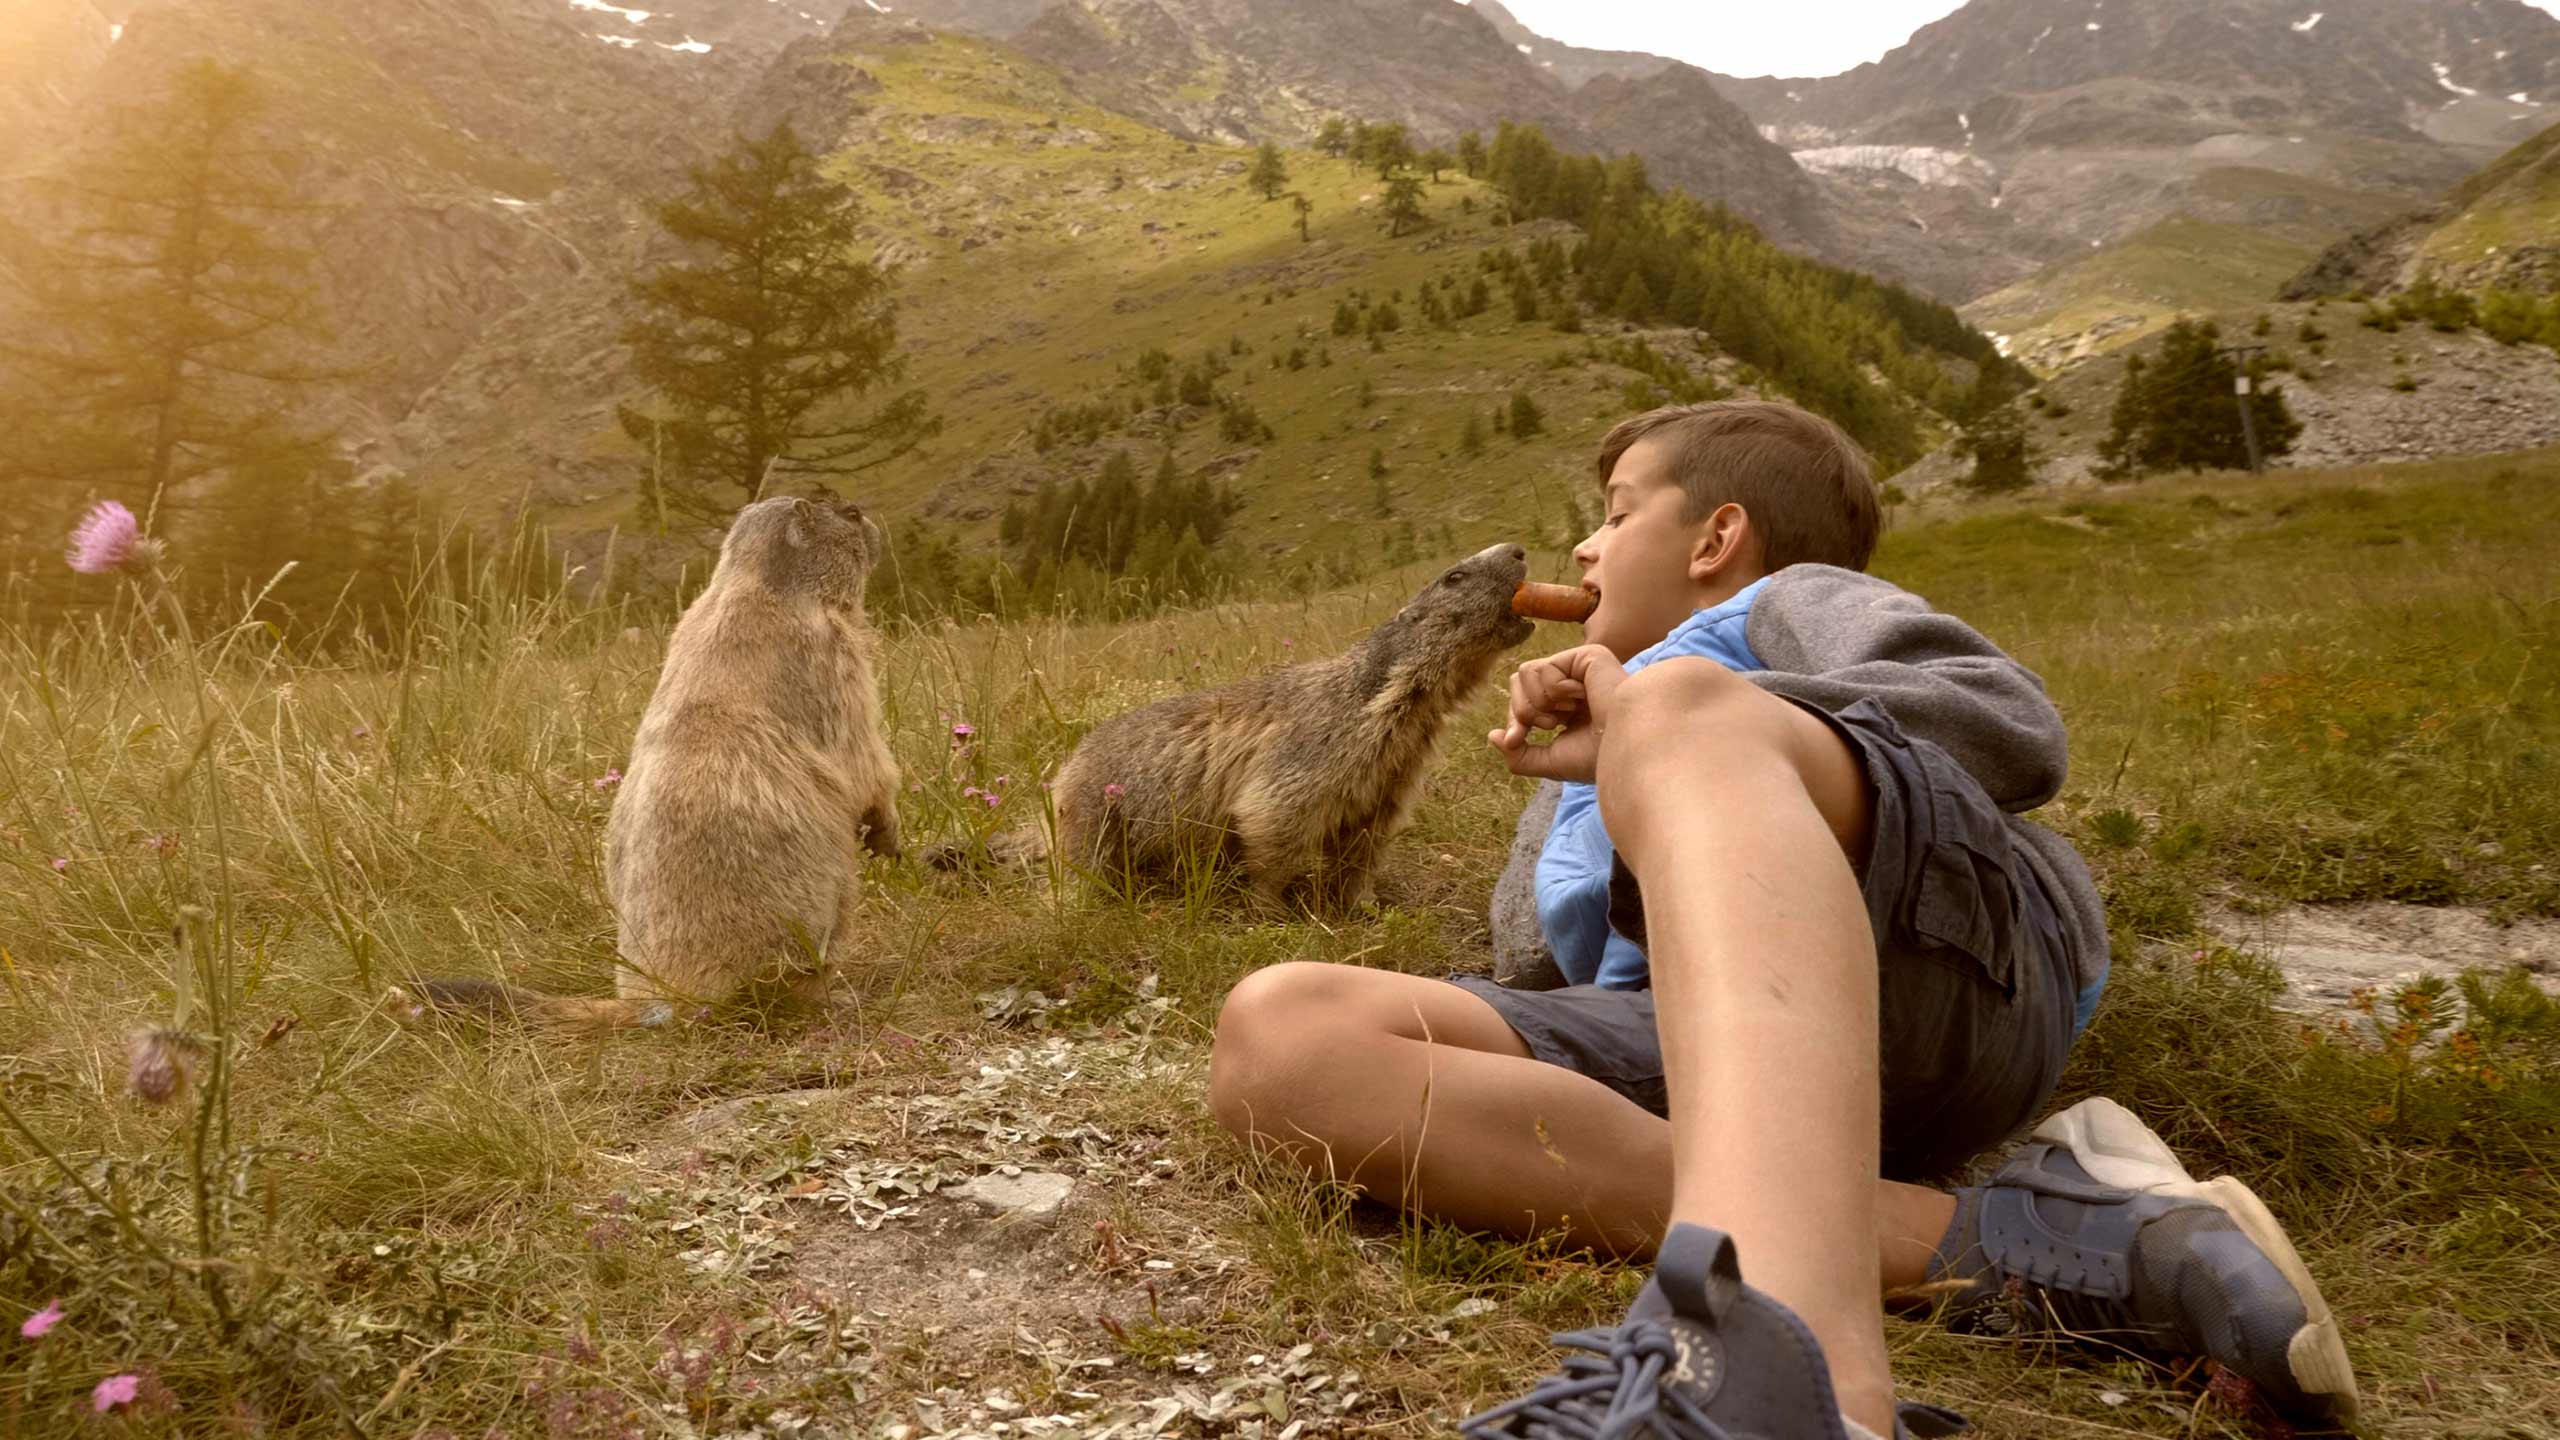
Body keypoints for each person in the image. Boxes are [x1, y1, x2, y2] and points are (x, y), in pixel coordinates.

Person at [1207, 401, 2358, 1437]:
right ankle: (2046, 1244)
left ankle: (1789, 1378)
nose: (1584, 549)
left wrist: (1688, 723)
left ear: (1716, 538)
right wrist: (1585, 774)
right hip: (1702, 1049)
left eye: (1615, 515)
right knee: (1283, 1034)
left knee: (1681, 709)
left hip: (1941, 973)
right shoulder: (1613, 715)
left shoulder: (1786, 606)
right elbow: (1550, 967)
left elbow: (2006, 728)